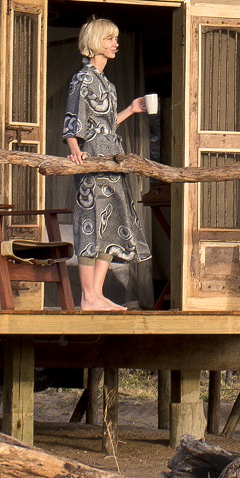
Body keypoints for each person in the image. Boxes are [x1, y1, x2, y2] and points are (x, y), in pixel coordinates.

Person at [61, 18, 156, 309]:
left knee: (112, 226)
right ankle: (88, 296)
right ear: (94, 43)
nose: (115, 43)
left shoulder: (108, 84)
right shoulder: (83, 79)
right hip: (92, 163)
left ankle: (97, 294)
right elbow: (72, 120)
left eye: (115, 38)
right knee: (91, 225)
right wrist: (75, 149)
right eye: (109, 39)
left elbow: (103, 126)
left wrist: (130, 109)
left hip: (112, 160)